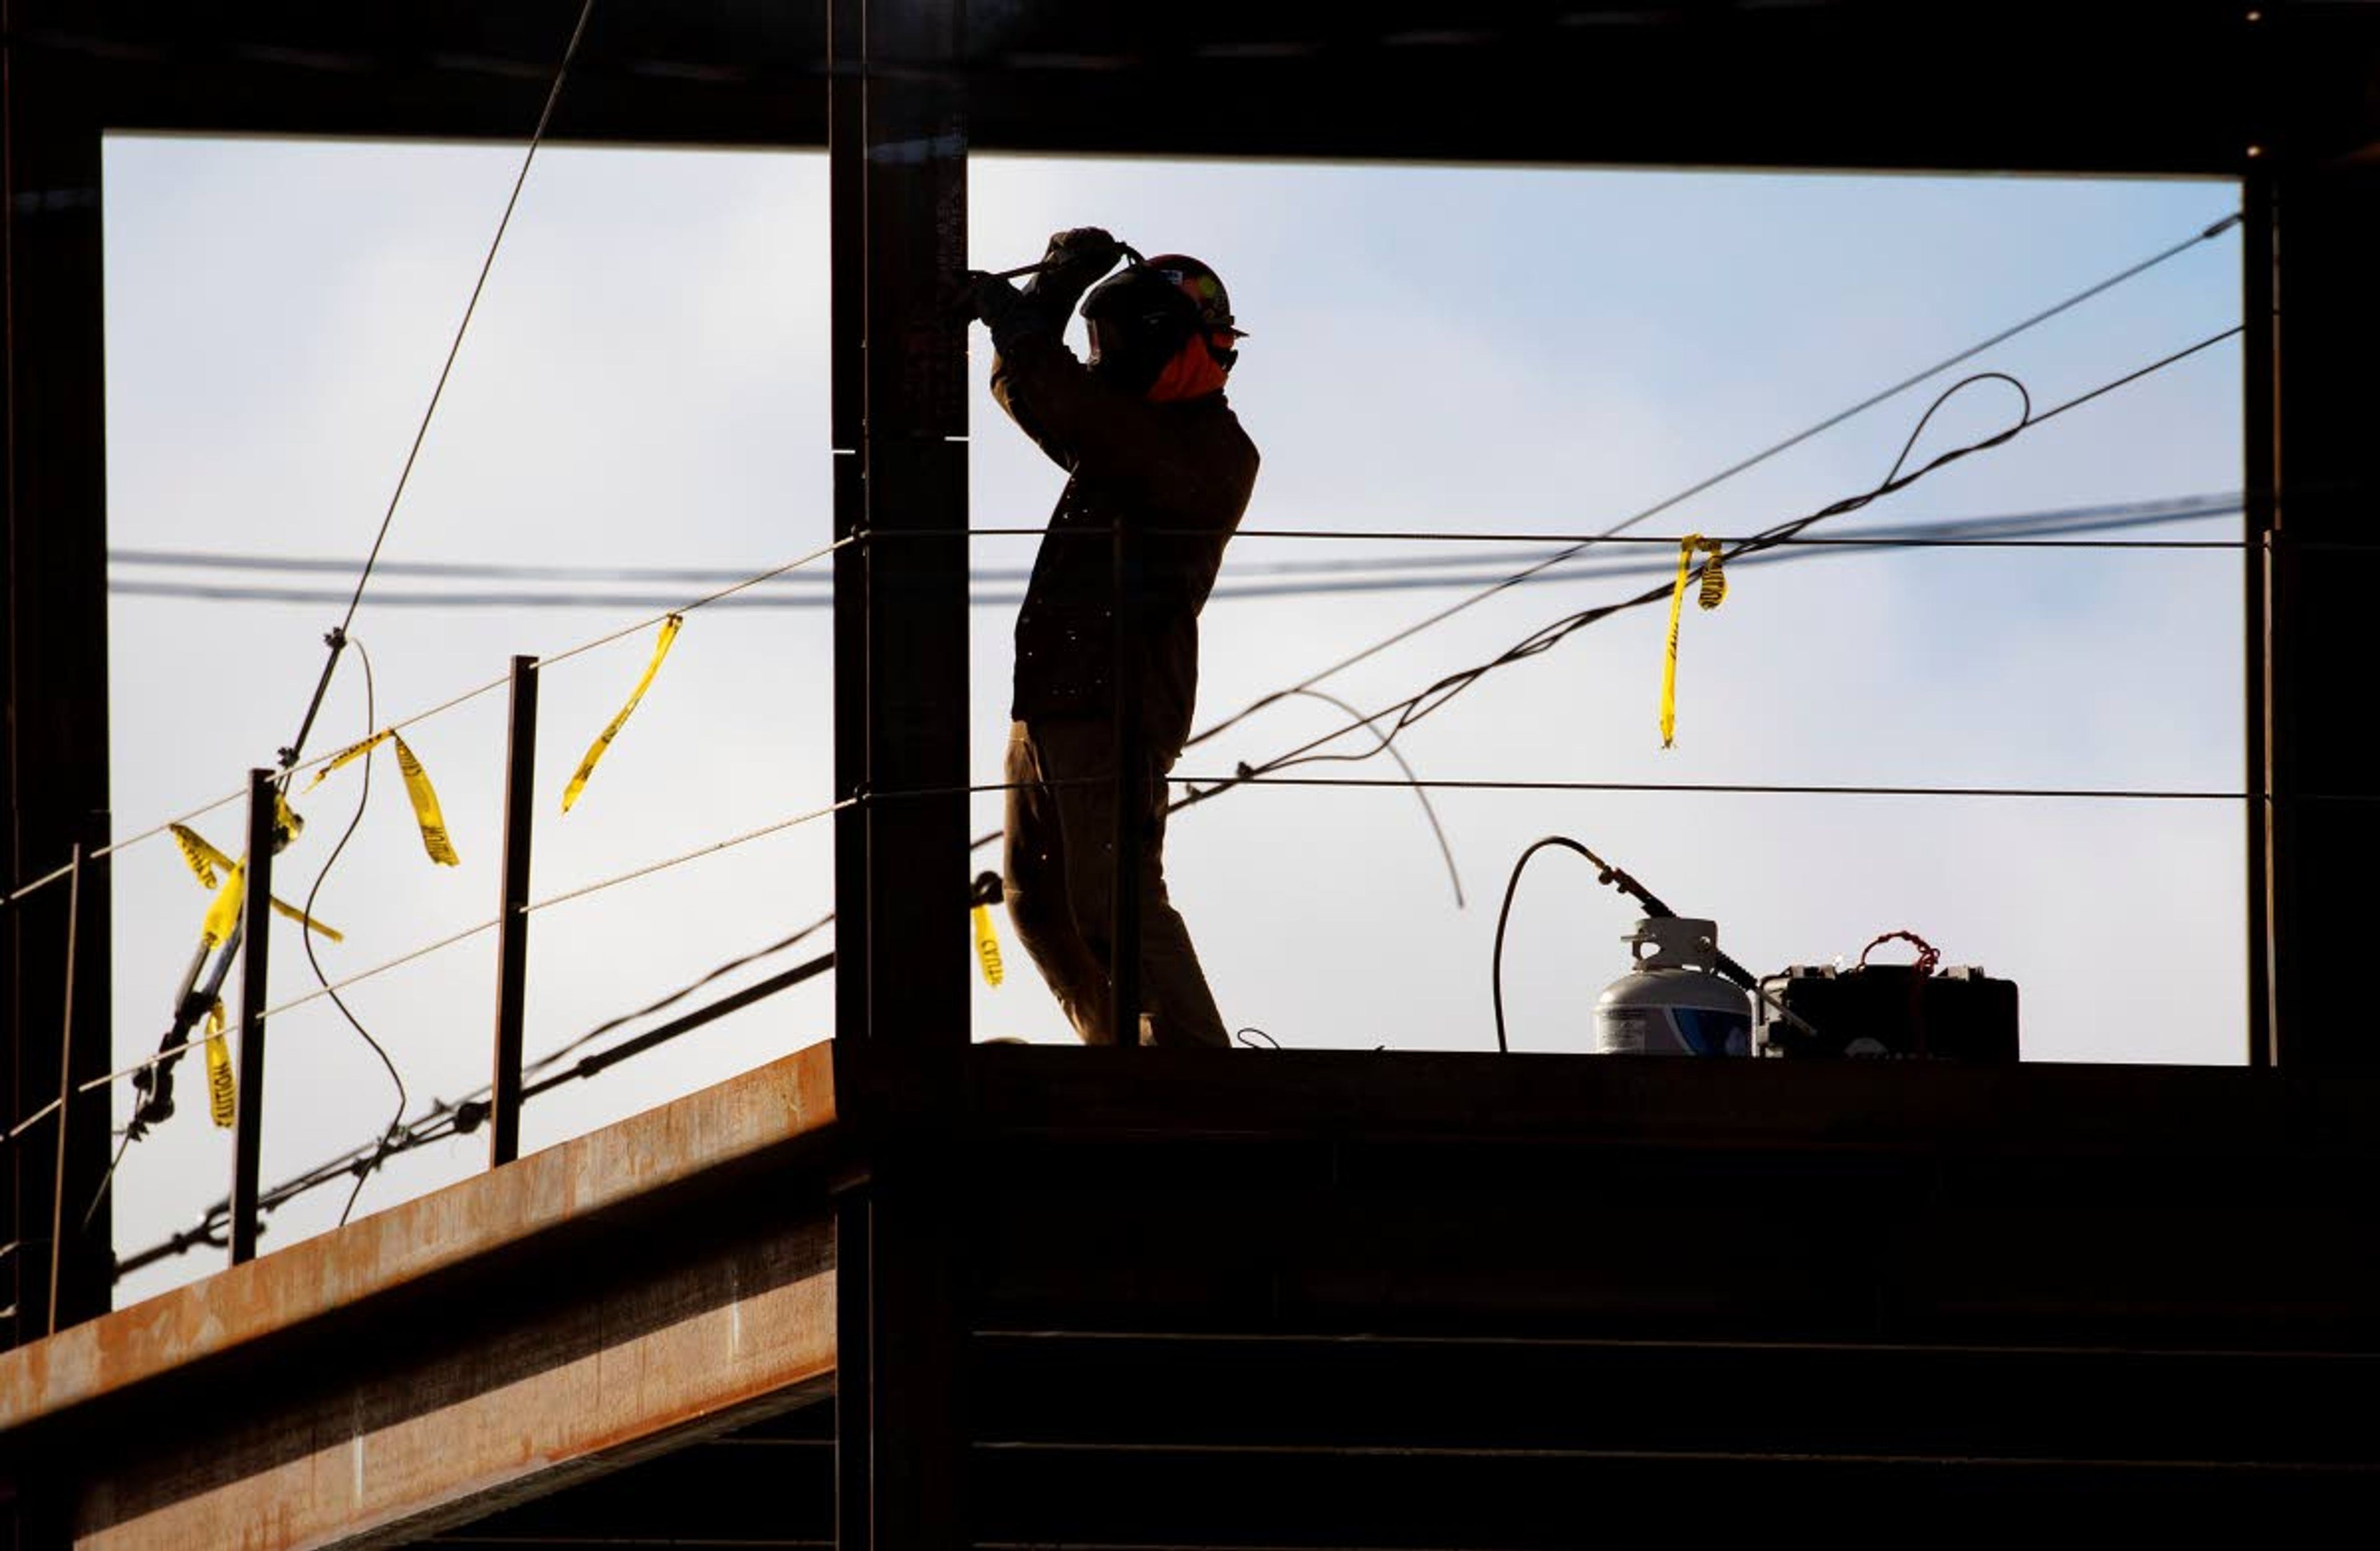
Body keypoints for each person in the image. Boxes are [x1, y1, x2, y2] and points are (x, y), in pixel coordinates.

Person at [964, 228, 1259, 1047]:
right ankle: (1120, 1055)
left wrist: (1030, 307)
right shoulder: (1129, 428)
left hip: (1112, 705)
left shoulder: (1206, 451)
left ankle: (1197, 1073)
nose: (1104, 357)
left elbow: (1056, 396)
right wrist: (1040, 303)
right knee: (1038, 905)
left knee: (1114, 901)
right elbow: (1033, 389)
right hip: (1054, 702)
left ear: (1170, 345)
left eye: (1118, 338)